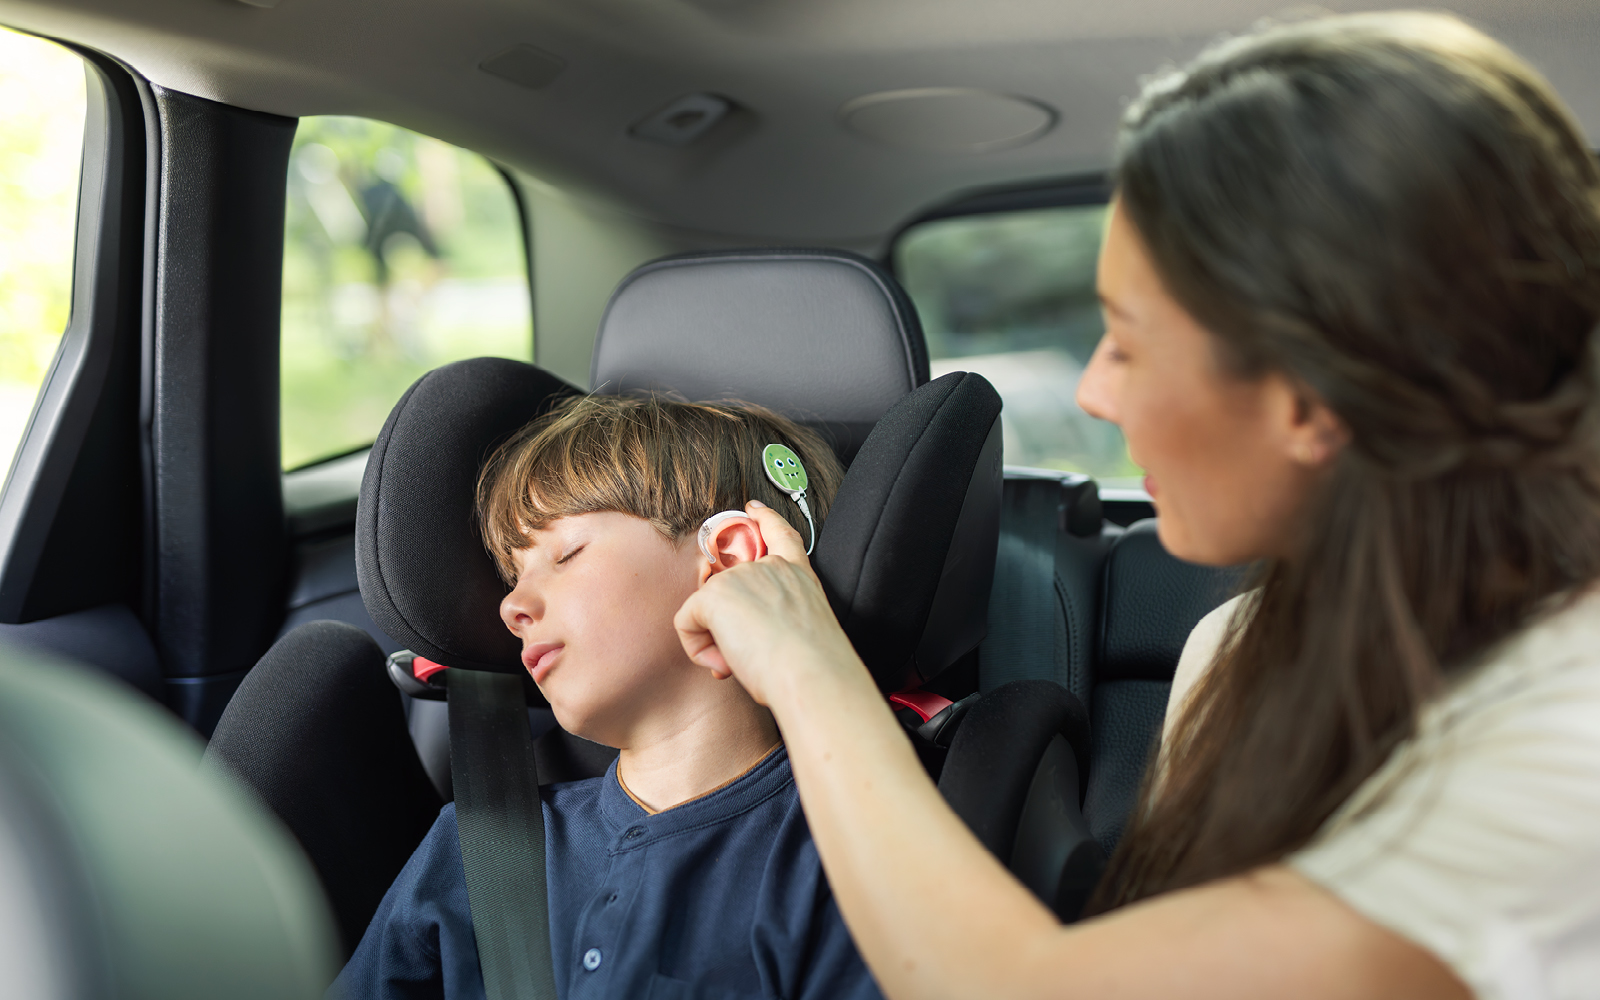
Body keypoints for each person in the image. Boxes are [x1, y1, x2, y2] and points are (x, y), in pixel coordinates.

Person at [674, 12, 1600, 1000]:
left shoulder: (1569, 743)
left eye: (1127, 339)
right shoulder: (1235, 646)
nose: (1095, 394)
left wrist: (803, 657)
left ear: (1305, 392)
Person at [332, 394, 882, 1000]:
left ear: (730, 558)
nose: (511, 607)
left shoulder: (847, 853)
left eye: (566, 554)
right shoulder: (481, 845)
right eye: (514, 577)